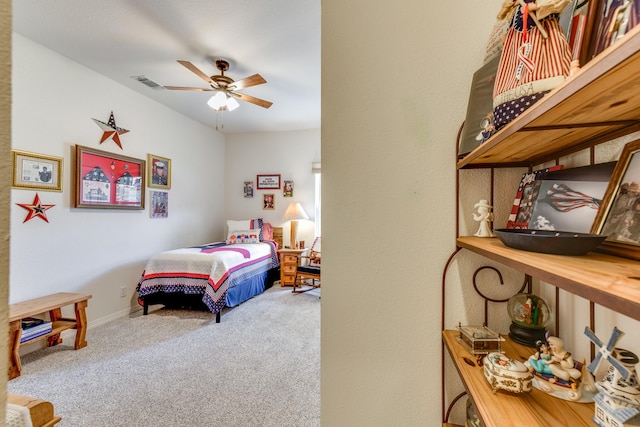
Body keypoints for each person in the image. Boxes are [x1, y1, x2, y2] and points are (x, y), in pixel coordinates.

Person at [492, 0, 572, 131]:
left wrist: (538, 7)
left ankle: (549, 93)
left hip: (541, 41)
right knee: (513, 72)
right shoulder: (517, 6)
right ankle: (511, 108)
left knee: (547, 63)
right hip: (517, 51)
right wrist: (507, 37)